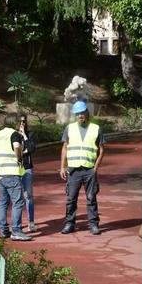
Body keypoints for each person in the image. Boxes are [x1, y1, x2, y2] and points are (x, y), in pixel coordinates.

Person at [59, 100, 105, 235]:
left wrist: (95, 168)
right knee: (71, 198)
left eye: (82, 113)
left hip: (89, 169)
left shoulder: (96, 128)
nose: (80, 116)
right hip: (73, 170)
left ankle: (93, 224)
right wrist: (62, 167)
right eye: (77, 114)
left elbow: (101, 150)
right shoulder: (69, 128)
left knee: (91, 198)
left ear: (86, 113)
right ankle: (69, 223)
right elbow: (65, 147)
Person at [0, 116, 31, 241]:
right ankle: (16, 231)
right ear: (15, 123)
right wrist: (19, 158)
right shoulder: (14, 134)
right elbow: (17, 146)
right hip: (12, 172)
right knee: (18, 202)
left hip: (0, 173)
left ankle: (3, 230)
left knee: (3, 203)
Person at [18, 114, 37, 232]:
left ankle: (31, 222)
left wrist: (24, 136)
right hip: (15, 169)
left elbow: (31, 148)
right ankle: (17, 224)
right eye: (20, 122)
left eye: (24, 121)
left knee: (28, 196)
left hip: (27, 167)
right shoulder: (12, 135)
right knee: (17, 197)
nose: (22, 124)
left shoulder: (30, 135)